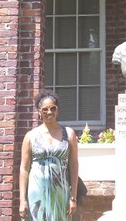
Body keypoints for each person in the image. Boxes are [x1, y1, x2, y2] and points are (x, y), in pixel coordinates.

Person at [19, 90, 80, 220]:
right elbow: (24, 169)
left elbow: (73, 166)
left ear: (57, 110)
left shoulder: (69, 134)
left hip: (61, 194)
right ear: (39, 112)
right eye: (45, 109)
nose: (49, 112)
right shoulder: (30, 136)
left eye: (53, 108)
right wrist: (22, 200)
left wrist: (73, 197)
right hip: (36, 194)